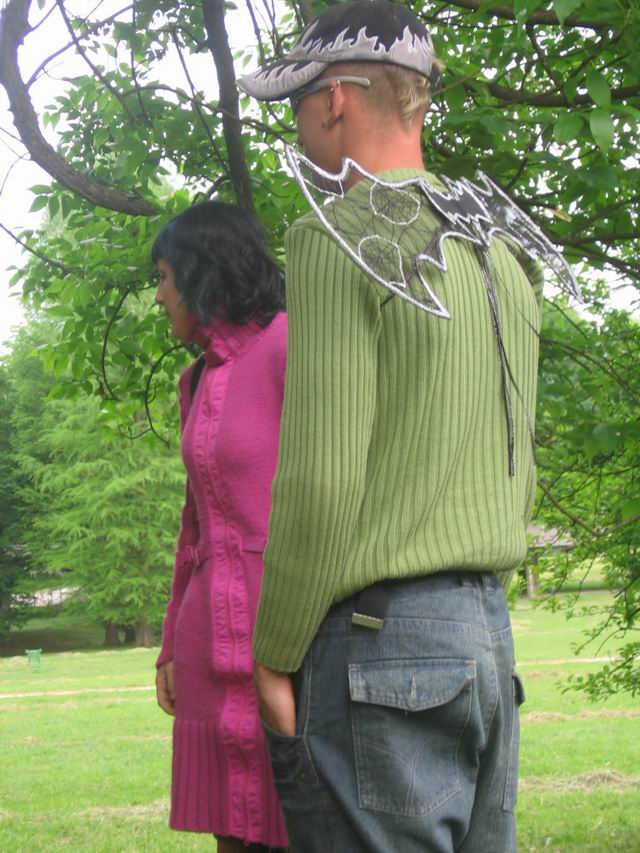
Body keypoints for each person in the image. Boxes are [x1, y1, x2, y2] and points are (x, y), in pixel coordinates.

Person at [235, 2, 576, 850]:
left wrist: (272, 653)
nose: (296, 121)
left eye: (297, 100)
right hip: (486, 636)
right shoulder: (503, 252)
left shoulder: (336, 235)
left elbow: (320, 476)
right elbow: (517, 467)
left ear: (335, 99)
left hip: (379, 645)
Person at [153, 201, 288, 853]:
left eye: (163, 277)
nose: (159, 296)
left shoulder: (293, 345)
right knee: (231, 837)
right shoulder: (193, 380)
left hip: (288, 644)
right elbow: (193, 527)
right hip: (208, 645)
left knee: (304, 824)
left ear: (199, 270)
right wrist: (169, 646)